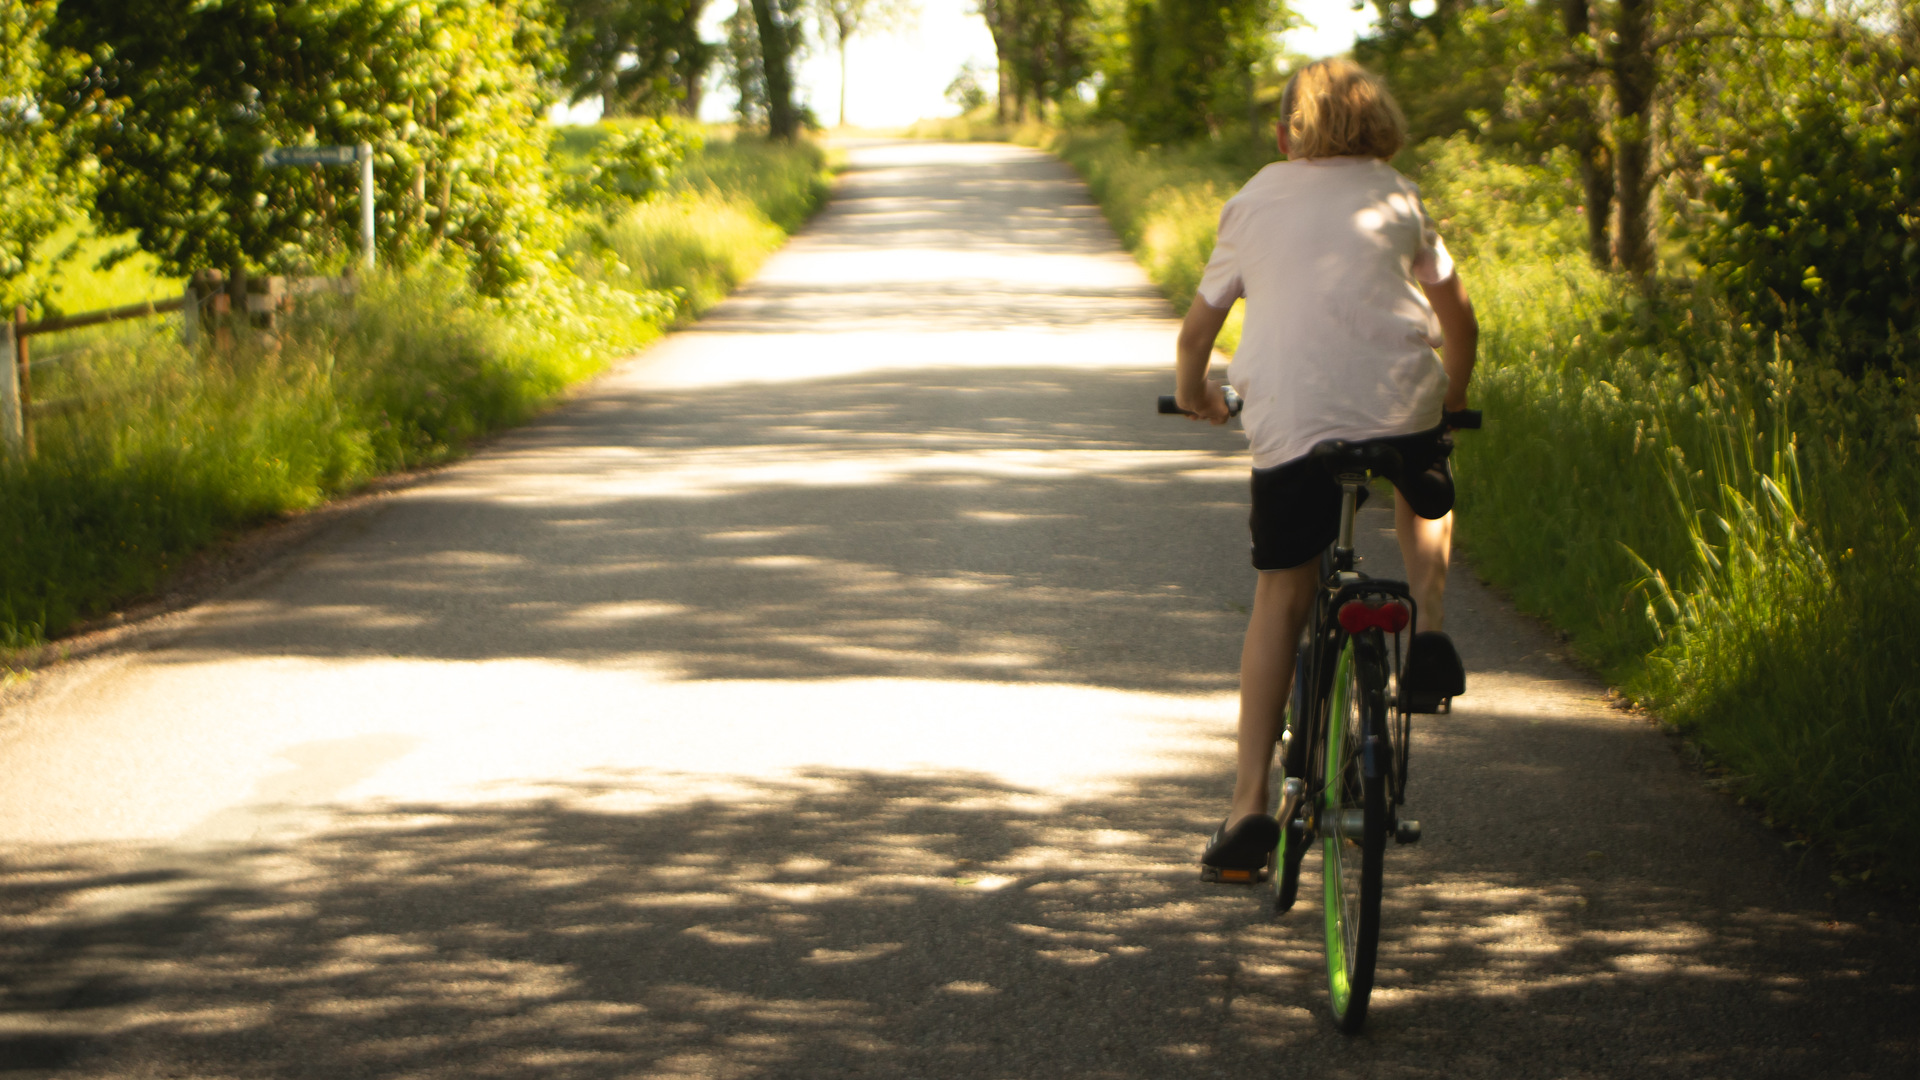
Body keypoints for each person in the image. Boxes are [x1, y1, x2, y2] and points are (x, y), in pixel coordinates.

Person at [1173, 58, 1478, 876]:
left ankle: (1245, 808)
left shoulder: (1258, 196)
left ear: (1284, 135)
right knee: (1424, 478)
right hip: (1399, 406)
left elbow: (1197, 333)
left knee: (1283, 593)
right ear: (1382, 127)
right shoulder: (1400, 196)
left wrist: (1195, 393)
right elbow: (1459, 317)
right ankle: (1433, 630)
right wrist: (1450, 397)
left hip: (1294, 420)